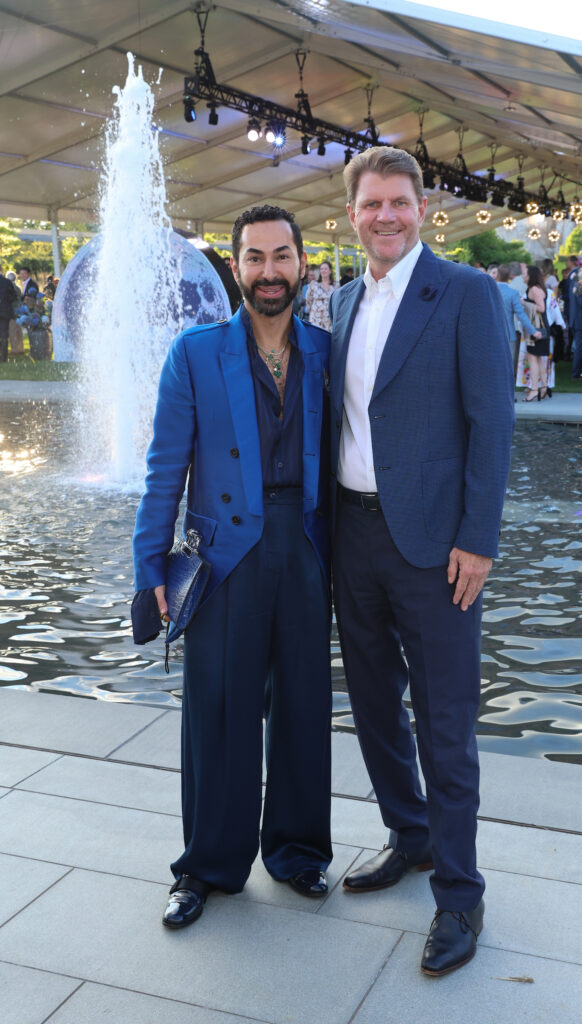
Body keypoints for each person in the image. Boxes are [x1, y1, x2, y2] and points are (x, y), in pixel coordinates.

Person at [329, 146, 514, 977]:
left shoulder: (467, 293)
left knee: (445, 722)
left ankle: (460, 894)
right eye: (372, 204)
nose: (387, 216)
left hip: (438, 548)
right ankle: (407, 837)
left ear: (419, 208)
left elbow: (492, 422)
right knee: (373, 706)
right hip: (352, 537)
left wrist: (477, 537)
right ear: (353, 214)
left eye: (399, 202)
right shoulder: (335, 300)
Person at [132, 204, 333, 930]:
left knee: (306, 709)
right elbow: (164, 468)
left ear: (301, 263)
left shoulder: (325, 350)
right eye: (255, 258)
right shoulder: (195, 351)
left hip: (308, 547)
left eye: (282, 256)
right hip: (224, 553)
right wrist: (147, 563)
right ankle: (207, 866)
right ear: (236, 266)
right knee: (218, 712)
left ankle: (299, 851)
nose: (270, 272)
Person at [496, 263, 540, 379]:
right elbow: (521, 315)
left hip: (490, 334)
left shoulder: (489, 291)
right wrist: (533, 331)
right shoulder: (512, 293)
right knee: (508, 366)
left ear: (497, 276)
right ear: (509, 276)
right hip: (508, 333)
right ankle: (508, 394)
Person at [521, 264, 551, 401]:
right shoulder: (534, 288)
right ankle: (544, 387)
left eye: (524, 273)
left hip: (538, 327)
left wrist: (524, 303)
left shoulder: (534, 289)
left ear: (530, 276)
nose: (523, 276)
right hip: (537, 326)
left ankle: (534, 389)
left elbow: (542, 308)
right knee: (537, 358)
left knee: (533, 358)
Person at [566, 255, 582, 378]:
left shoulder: (574, 282)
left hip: (575, 319)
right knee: (580, 347)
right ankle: (575, 373)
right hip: (580, 320)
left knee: (579, 347)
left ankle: (577, 371)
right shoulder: (581, 284)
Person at [305, 259, 336, 330]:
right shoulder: (313, 284)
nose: (323, 270)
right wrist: (314, 311)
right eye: (321, 269)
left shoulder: (335, 286)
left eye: (325, 269)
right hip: (316, 318)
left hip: (329, 319)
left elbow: (338, 302)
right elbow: (308, 300)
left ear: (330, 271)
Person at [0, 264, 17, 361]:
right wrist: (5, 300)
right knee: (4, 334)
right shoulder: (7, 282)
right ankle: (3, 357)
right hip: (4, 311)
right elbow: (14, 296)